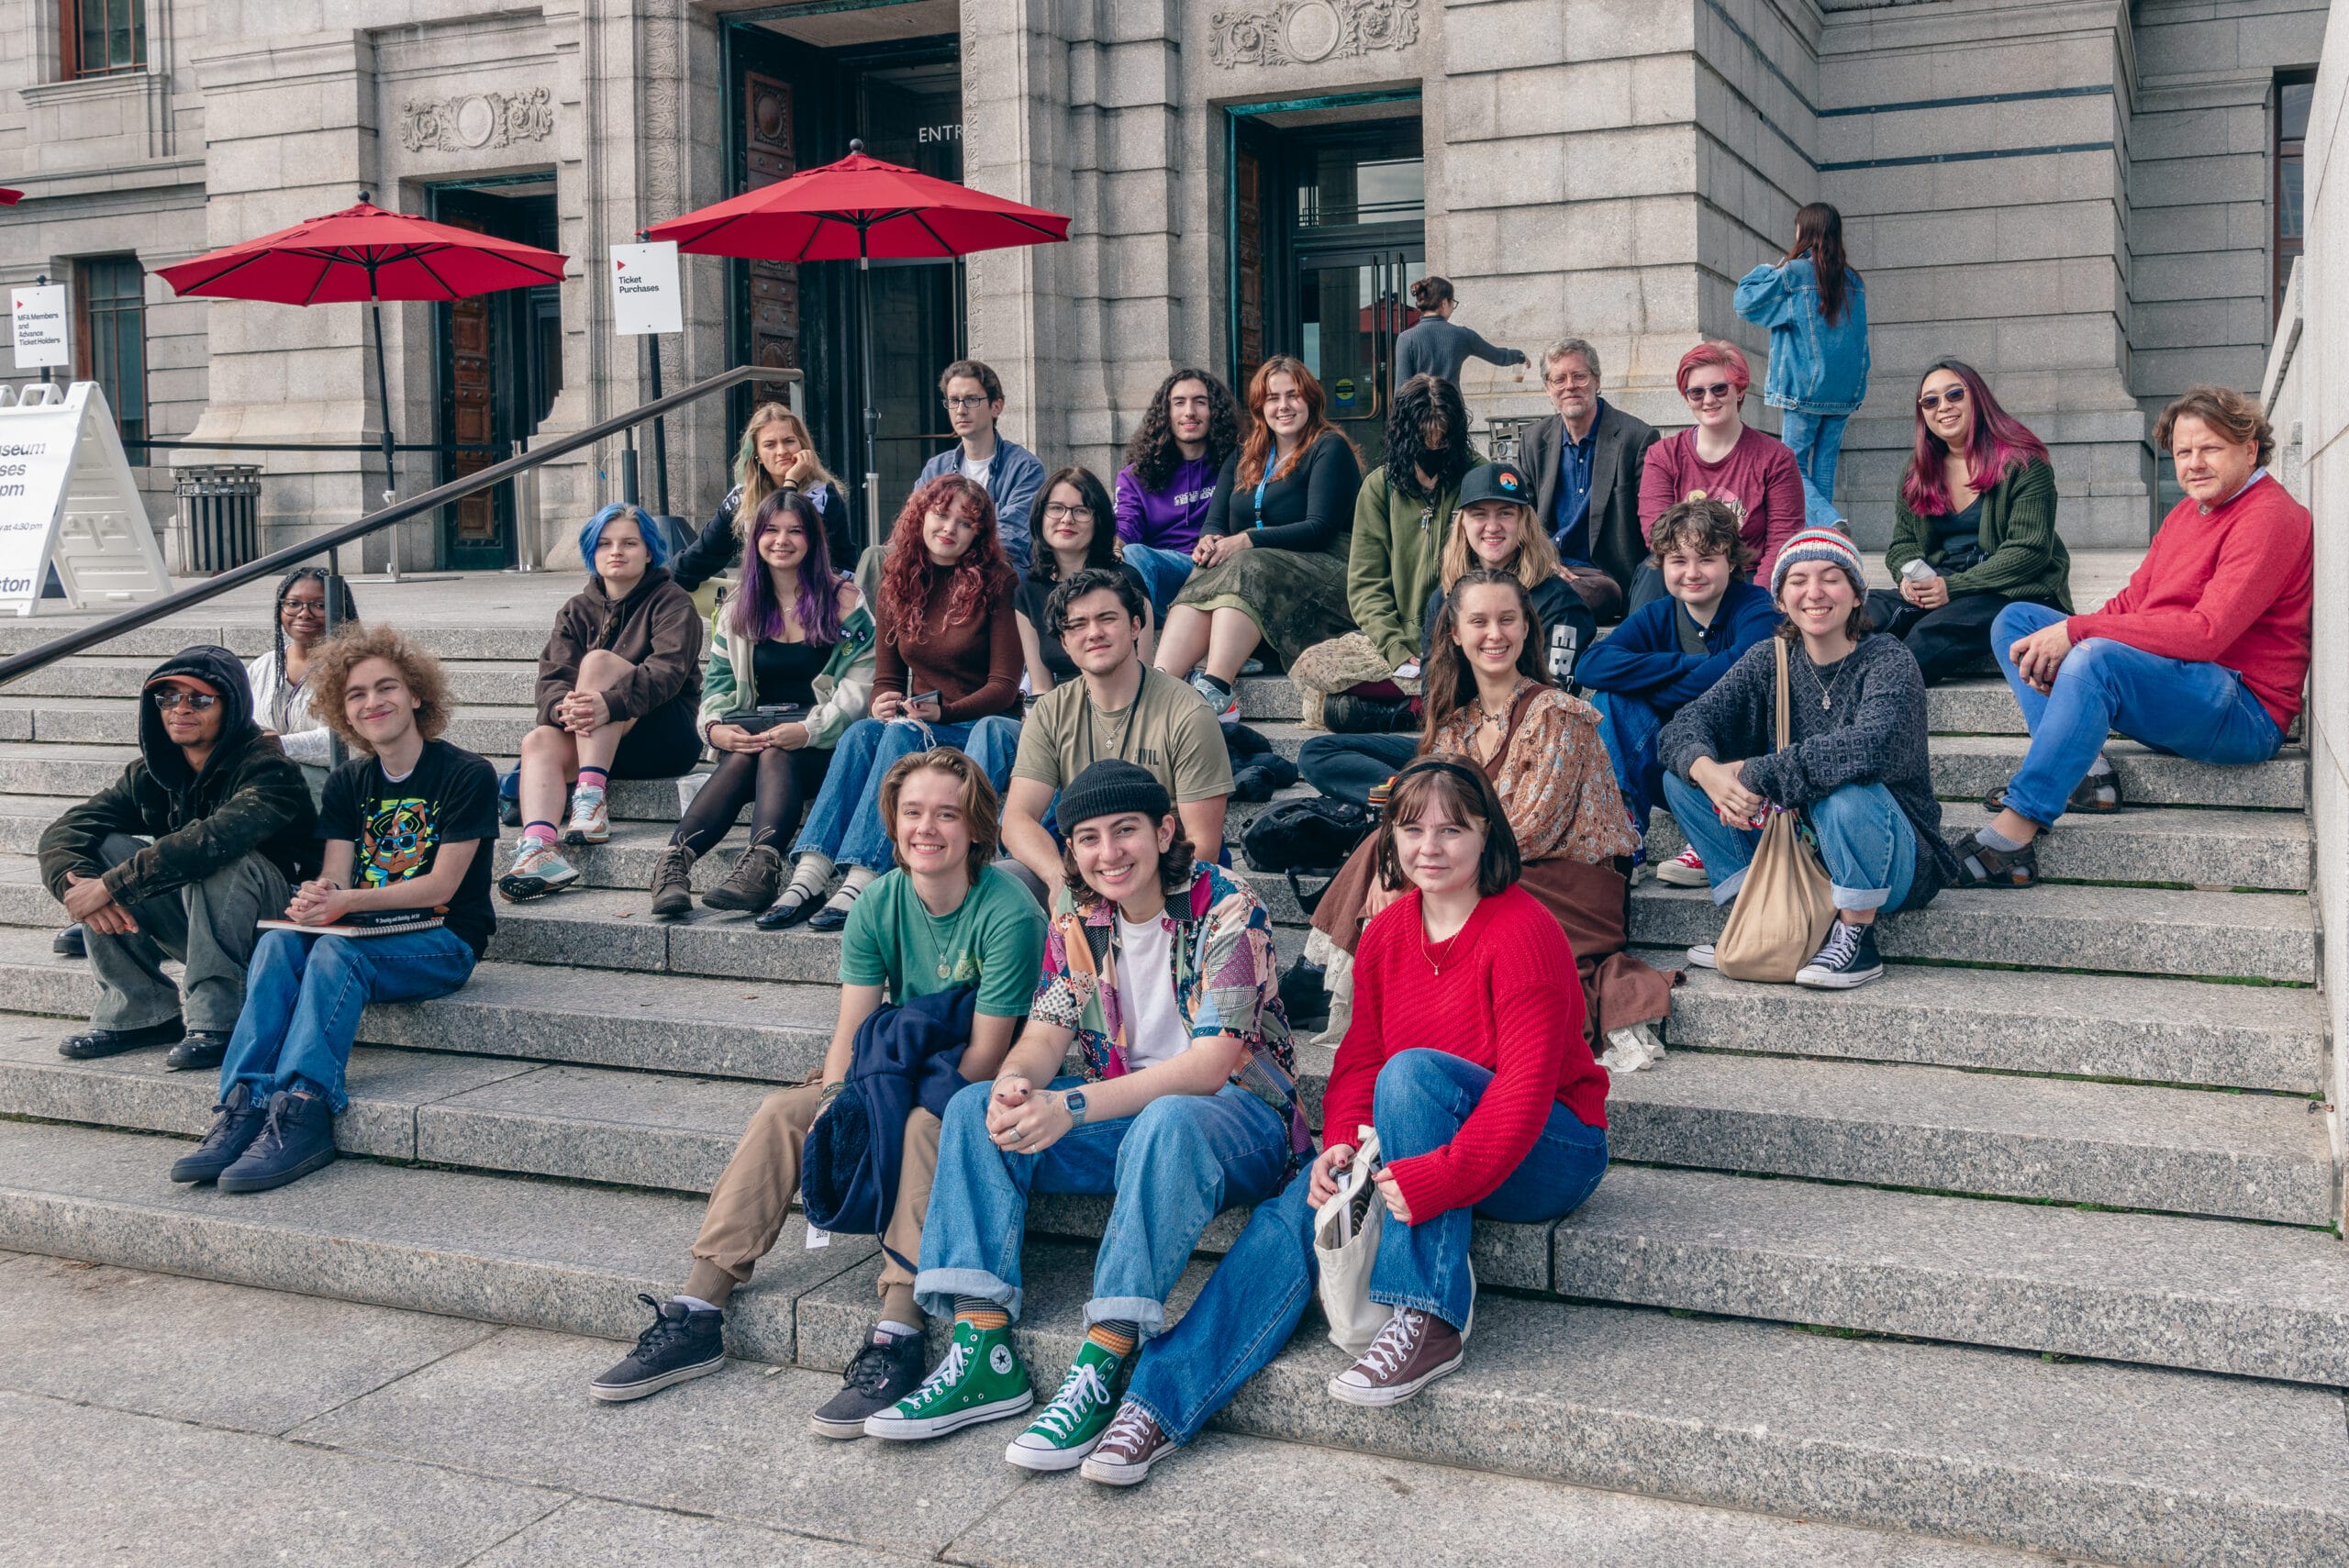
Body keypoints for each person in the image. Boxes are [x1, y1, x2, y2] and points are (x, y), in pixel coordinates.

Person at [1079, 761, 1608, 1485]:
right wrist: (1344, 1149)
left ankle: (1426, 1314)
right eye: (1413, 827)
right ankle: (1156, 1405)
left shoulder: (1525, 930)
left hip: (1550, 1147)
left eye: (1454, 827)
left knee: (1413, 1072)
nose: (1431, 844)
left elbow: (1521, 1092)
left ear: (1488, 835)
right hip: (1424, 1137)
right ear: (1391, 837)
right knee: (1299, 1205)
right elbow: (1358, 1063)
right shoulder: (1388, 932)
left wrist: (1429, 1178)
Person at [865, 760, 1303, 1471]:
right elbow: (1045, 1031)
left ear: (1164, 831)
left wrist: (1068, 1103)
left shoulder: (1229, 905)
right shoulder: (1078, 913)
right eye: (1089, 839)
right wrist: (1015, 1083)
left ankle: (1103, 1358)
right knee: (975, 1105)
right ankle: (983, 1351)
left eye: (1126, 831)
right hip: (1128, 1120)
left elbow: (1210, 1065)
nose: (1109, 854)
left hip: (1241, 1122)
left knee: (1168, 1117)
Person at [590, 748, 1046, 1430]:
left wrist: (883, 1111)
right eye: (913, 812)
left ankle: (899, 1328)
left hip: (990, 1079)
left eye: (947, 814)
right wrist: (840, 1104)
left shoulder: (1007, 910)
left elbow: (983, 1056)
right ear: (892, 825)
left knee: (926, 1122)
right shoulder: (879, 903)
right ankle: (701, 1308)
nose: (928, 828)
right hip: (894, 1061)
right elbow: (852, 1028)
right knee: (786, 1111)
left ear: (977, 828)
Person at [168, 625, 496, 1193]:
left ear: (416, 694)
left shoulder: (466, 773)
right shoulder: (349, 780)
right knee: (278, 941)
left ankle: (304, 1108)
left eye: (386, 688)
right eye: (356, 694)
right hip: (364, 928)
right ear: (342, 712)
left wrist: (345, 904)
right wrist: (318, 897)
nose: (373, 703)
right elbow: (335, 873)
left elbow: (439, 886)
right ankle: (244, 1103)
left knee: (334, 955)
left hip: (442, 938)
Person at [1960, 386, 2311, 889]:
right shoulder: (2188, 513)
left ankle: (2015, 833)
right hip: (2185, 687)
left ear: (2249, 448)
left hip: (2245, 710)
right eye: (2183, 452)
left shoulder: (2269, 517)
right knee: (2016, 621)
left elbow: (2205, 633)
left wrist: (2080, 634)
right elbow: (2133, 603)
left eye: (2210, 448)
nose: (2194, 464)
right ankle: (2086, 773)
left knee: (2096, 657)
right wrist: (2068, 634)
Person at [1308, 570, 1666, 1051]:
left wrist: (1405, 873)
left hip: (1567, 885)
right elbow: (1423, 814)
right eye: (1479, 621)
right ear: (1455, 634)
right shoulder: (1457, 725)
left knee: (1410, 858)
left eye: (1507, 620)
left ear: (1525, 629)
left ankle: (1385, 997)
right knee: (1390, 842)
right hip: (1493, 865)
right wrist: (1395, 861)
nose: (1494, 634)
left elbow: (1529, 829)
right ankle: (1392, 1002)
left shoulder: (1557, 714)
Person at [1659, 528, 1958, 988]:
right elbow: (1682, 727)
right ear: (1780, 599)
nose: (1814, 593)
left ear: (1857, 594)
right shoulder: (1770, 660)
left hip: (1894, 853)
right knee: (1684, 778)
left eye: (1831, 578)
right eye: (1798, 580)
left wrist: (1755, 772)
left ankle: (1856, 936)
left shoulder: (1889, 661)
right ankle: (1759, 919)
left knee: (1843, 791)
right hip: (1802, 849)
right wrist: (1711, 774)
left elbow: (1864, 749)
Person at [763, 474, 1024, 932]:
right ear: (921, 515)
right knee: (865, 731)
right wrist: (884, 702)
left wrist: (945, 711)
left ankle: (863, 874)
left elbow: (1004, 685)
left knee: (900, 732)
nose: (949, 529)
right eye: (941, 515)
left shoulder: (996, 582)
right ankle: (810, 873)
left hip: (977, 721)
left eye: (965, 523)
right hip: (920, 720)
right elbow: (886, 678)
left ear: (978, 535)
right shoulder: (898, 577)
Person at [38, 648, 317, 1071]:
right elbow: (68, 828)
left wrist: (112, 886)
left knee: (217, 857)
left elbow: (214, 839)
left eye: (199, 700)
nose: (180, 709)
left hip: (276, 930)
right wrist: (73, 885)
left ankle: (220, 1017)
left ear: (232, 706)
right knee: (103, 847)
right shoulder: (151, 774)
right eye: (167, 698)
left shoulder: (270, 770)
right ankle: (141, 1011)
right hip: (202, 921)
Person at [1297, 461, 1580, 808]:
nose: (1492, 526)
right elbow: (1435, 694)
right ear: (1462, 524)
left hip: (1524, 759)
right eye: (1479, 514)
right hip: (1453, 750)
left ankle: (1422, 802)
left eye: (1505, 514)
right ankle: (1417, 801)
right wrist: (1450, 753)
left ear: (1524, 523)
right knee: (1318, 752)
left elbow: (1557, 703)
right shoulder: (1444, 598)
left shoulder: (1558, 601)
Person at [653, 489, 874, 918]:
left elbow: (857, 693)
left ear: (813, 540)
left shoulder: (847, 602)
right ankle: (674, 865)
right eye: (771, 530)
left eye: (795, 531)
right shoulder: (739, 607)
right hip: (758, 739)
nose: (782, 540)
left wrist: (808, 731)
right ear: (756, 539)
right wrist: (715, 728)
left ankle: (762, 865)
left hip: (826, 747)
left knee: (775, 750)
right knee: (743, 756)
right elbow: (716, 684)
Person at [501, 505, 705, 900]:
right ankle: (540, 849)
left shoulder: (672, 601)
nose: (617, 551)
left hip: (663, 737)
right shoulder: (576, 610)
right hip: (594, 737)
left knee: (597, 663)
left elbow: (667, 674)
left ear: (649, 551)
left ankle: (591, 798)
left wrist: (608, 704)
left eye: (630, 543)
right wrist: (564, 709)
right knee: (538, 741)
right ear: (592, 553)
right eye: (605, 544)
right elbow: (552, 679)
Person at [1578, 498, 1780, 883]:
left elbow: (1734, 677)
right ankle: (1624, 832)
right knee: (1611, 699)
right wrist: (1686, 665)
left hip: (1740, 761)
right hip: (1677, 758)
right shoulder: (1658, 614)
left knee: (1628, 693)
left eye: (1706, 559)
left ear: (1731, 562)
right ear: (1662, 565)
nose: (1692, 572)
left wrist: (1653, 684)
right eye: (1678, 561)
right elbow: (1591, 665)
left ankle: (1712, 837)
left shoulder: (1757, 608)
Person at [1158, 356, 1364, 720]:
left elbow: (1320, 528)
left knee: (1245, 559)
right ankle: (1158, 685)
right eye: (1272, 398)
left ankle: (1217, 689)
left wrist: (1248, 539)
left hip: (1329, 568)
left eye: (1293, 395)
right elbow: (1216, 520)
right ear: (1259, 407)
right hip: (1261, 571)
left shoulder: (1328, 448)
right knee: (1209, 563)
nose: (1283, 406)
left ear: (1311, 400)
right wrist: (1209, 540)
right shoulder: (1245, 454)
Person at [1003, 569, 1232, 892]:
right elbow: (1017, 820)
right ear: (1065, 643)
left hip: (1170, 863)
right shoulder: (1050, 712)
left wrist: (1130, 897)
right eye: (1078, 625)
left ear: (1135, 626)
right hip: (1089, 857)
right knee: (1010, 877)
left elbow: (1203, 844)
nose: (1094, 633)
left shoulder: (1188, 712)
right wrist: (1060, 881)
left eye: (1107, 618)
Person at [1290, 373, 1475, 737]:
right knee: (1316, 675)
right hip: (1396, 640)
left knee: (1346, 710)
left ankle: (1420, 704)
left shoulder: (1478, 475)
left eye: (1442, 439)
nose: (1433, 447)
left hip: (1458, 635)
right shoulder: (1380, 486)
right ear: (1405, 436)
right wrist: (1393, 645)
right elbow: (1365, 583)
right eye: (1424, 438)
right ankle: (1419, 705)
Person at [1867, 361, 2072, 685]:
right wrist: (1908, 576)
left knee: (1933, 630)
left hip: (2015, 588)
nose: (1944, 407)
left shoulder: (2023, 462)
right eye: (1930, 401)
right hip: (1947, 578)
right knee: (1867, 611)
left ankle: (1878, 699)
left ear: (1976, 398)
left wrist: (1953, 588)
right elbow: (1902, 543)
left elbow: (2029, 551)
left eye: (1954, 395)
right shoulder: (1918, 468)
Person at [1634, 340, 1805, 614]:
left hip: (1746, 573)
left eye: (1719, 388)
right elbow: (1658, 534)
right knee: (1653, 571)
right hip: (1684, 571)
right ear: (1687, 398)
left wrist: (1758, 601)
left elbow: (1782, 540)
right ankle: (1638, 651)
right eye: (1697, 392)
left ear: (1740, 390)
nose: (1709, 399)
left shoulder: (1776, 458)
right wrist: (1696, 570)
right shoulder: (1663, 455)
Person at [1735, 201, 1869, 532]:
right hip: (1844, 389)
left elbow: (1745, 302)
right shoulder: (1853, 280)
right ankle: (1822, 537)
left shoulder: (1794, 273)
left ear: (1804, 230)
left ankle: (1828, 522)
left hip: (1804, 388)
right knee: (1824, 464)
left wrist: (1774, 266)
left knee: (1792, 464)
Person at [1519, 338, 1659, 620]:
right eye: (1559, 379)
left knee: (1575, 596)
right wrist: (1544, 562)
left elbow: (1653, 526)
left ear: (1597, 380)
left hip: (1603, 576)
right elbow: (1522, 515)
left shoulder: (1637, 438)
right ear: (1548, 389)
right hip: (1546, 566)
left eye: (1579, 376)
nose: (1569, 386)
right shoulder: (1533, 440)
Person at [671, 403, 839, 594]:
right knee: (677, 589)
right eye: (770, 444)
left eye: (789, 441)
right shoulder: (743, 497)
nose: (782, 451)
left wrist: (791, 480)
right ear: (757, 455)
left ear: (803, 445)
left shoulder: (823, 495)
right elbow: (702, 556)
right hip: (759, 595)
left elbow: (830, 564)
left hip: (817, 593)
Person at [1015, 466, 1154, 693]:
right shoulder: (1029, 592)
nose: (1067, 519)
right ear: (1040, 516)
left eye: (1081, 511)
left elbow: (1143, 673)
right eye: (1056, 508)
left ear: (1098, 520)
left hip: (1119, 707)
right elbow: (1041, 688)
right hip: (1059, 714)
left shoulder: (1126, 581)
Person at [1114, 369, 1241, 617]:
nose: (1189, 412)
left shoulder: (1238, 463)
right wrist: (1115, 545)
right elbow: (1125, 524)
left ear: (1215, 411)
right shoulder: (1136, 475)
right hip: (1165, 574)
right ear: (1166, 413)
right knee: (1133, 555)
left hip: (1221, 568)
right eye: (1179, 403)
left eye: (1200, 402)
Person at [917, 359, 1046, 572]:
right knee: (877, 556)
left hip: (994, 572)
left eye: (971, 400)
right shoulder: (936, 468)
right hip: (937, 567)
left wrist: (952, 554)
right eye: (953, 400)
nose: (960, 410)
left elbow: (1011, 539)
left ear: (996, 407)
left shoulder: (1025, 468)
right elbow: (914, 525)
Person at [247, 566, 361, 773]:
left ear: (339, 609)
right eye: (293, 604)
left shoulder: (353, 666)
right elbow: (242, 724)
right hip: (264, 773)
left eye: (319, 605)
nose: (304, 614)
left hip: (330, 781)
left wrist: (275, 744)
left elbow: (342, 741)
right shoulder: (265, 665)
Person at [1391, 276, 1527, 390]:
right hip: (1452, 413)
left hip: (1418, 415)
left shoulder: (1406, 339)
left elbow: (1401, 389)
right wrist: (1520, 356)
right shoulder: (1462, 335)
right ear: (1444, 303)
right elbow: (1501, 357)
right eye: (1453, 302)